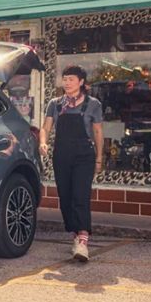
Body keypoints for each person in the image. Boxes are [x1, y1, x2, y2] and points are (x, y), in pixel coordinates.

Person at [39, 65, 104, 262]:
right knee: (65, 196)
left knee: (80, 195)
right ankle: (75, 234)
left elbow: (98, 133)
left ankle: (83, 239)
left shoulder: (93, 104)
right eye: (65, 79)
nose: (66, 82)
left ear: (81, 82)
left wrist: (99, 158)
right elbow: (46, 128)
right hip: (62, 154)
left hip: (84, 155)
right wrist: (43, 142)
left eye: (71, 79)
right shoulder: (55, 104)